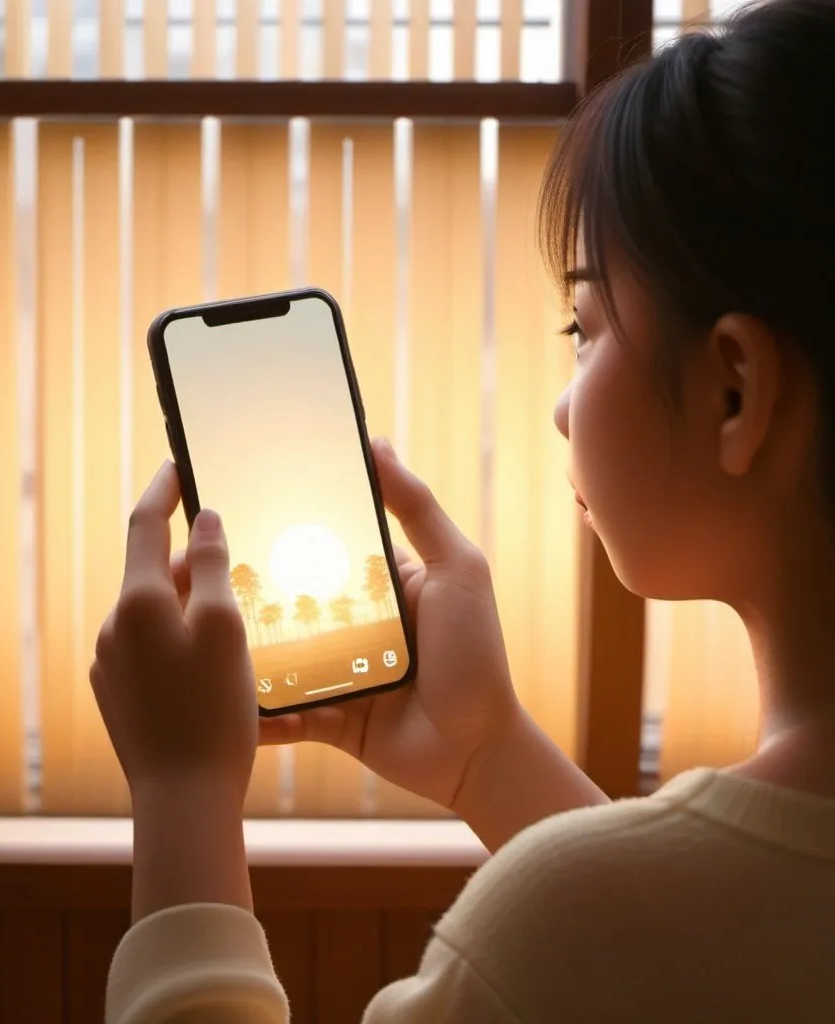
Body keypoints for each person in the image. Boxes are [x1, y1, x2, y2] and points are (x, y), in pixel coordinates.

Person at [90, 1, 835, 1019]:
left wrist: (180, 797)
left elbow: (635, 944)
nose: (563, 405)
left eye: (581, 325)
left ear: (735, 391)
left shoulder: (546, 935)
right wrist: (487, 756)